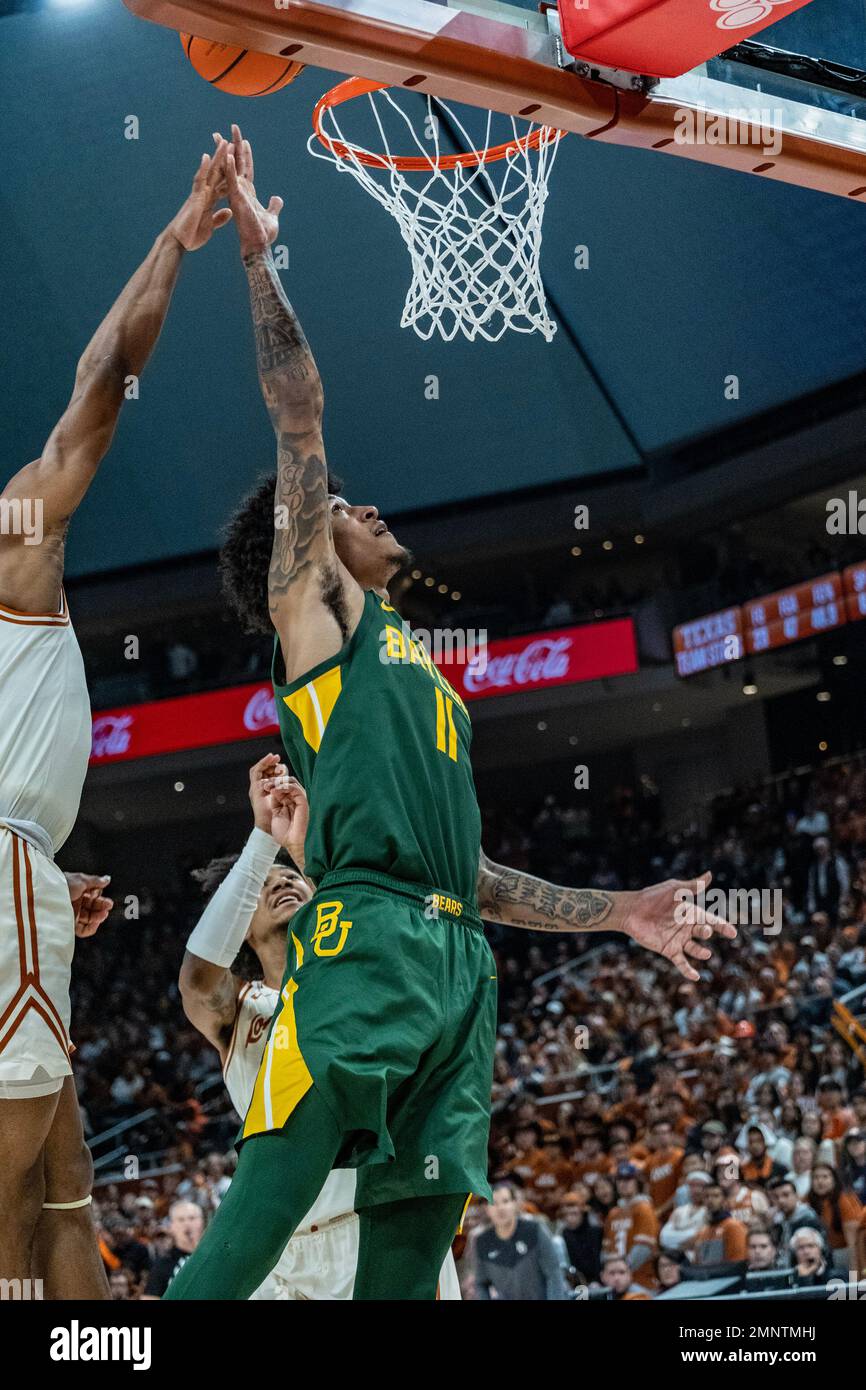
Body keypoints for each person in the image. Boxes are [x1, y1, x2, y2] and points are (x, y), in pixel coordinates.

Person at [165, 123, 736, 1302]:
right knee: (254, 1231)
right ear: (304, 545)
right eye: (342, 507)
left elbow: (471, 875)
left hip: (455, 961)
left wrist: (620, 910)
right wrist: (259, 258)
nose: (365, 505)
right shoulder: (315, 620)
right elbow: (300, 418)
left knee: (412, 1262)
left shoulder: (418, 663)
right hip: (361, 947)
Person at [0, 141, 233, 1297]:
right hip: (5, 874)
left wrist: (38, 866)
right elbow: (97, 395)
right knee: (31, 1182)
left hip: (18, 871)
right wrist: (172, 245)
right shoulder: (10, 547)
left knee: (66, 1171)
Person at [179, 755, 460, 1299]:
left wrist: (306, 853)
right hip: (279, 1248)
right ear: (240, 924)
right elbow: (196, 977)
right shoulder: (241, 1010)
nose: (280, 881)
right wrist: (261, 843)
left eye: (290, 877)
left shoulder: (366, 982)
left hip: (377, 1227)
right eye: (264, 884)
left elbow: (377, 925)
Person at [472, 1182, 566, 1300]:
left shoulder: (534, 1230)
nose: (500, 1208)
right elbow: (481, 1283)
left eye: (505, 1201)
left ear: (515, 1204)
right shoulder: (482, 1242)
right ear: (487, 1209)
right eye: (494, 1203)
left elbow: (554, 1274)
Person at [602, 1162, 659, 1288]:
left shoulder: (644, 1208)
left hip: (641, 1280)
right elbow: (606, 1249)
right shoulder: (613, 1213)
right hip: (616, 1281)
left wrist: (623, 1272)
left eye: (628, 1179)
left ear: (637, 1182)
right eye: (620, 1180)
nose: (624, 1183)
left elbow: (644, 1249)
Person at [141, 1201, 205, 1299]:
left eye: (192, 1218)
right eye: (181, 1220)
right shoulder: (162, 1264)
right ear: (171, 1226)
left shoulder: (215, 1256)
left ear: (202, 1222)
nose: (187, 1224)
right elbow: (149, 1297)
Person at [691, 1182, 747, 1267]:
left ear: (725, 1200)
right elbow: (697, 1264)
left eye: (716, 1196)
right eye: (706, 1196)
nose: (710, 1200)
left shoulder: (733, 1226)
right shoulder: (702, 1232)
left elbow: (738, 1264)